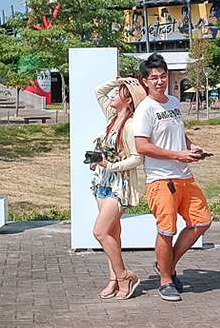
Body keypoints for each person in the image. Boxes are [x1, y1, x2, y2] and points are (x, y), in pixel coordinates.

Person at [132, 53, 212, 302]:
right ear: (144, 81)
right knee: (166, 231)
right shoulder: (145, 110)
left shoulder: (174, 102)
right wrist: (177, 155)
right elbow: (142, 147)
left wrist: (192, 147)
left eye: (163, 76)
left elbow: (180, 134)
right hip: (160, 179)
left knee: (202, 222)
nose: (159, 81)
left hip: (184, 176)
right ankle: (165, 279)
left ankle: (167, 264)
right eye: (154, 77)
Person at [91, 77, 147, 300]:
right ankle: (114, 279)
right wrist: (118, 81)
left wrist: (112, 165)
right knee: (112, 233)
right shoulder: (112, 117)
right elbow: (98, 91)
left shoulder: (131, 125)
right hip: (103, 182)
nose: (113, 94)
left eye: (119, 92)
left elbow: (137, 157)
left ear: (128, 101)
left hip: (120, 185)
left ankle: (125, 276)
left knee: (100, 232)